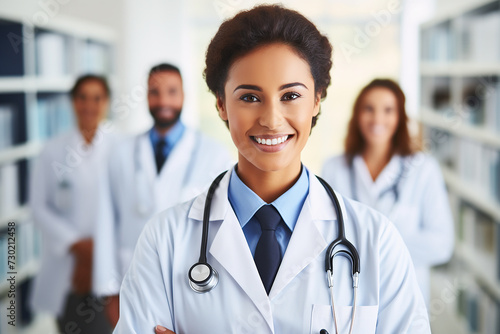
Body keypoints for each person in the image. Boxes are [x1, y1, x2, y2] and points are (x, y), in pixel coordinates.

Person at [115, 6, 431, 334]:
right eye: (250, 97)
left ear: (317, 100)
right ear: (221, 104)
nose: (271, 119)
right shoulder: (164, 240)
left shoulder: (377, 241)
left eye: (291, 95)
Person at [92, 63, 233, 327]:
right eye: (155, 92)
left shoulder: (214, 155)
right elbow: (105, 222)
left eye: (171, 91)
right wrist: (108, 289)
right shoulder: (121, 154)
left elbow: (224, 230)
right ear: (146, 97)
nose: (163, 100)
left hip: (190, 284)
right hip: (130, 280)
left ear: (183, 96)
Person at [321, 79, 454, 306]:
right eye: (369, 109)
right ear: (357, 115)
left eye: (388, 110)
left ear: (400, 117)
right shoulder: (334, 168)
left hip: (404, 298)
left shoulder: (423, 169)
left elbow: (442, 244)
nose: (377, 119)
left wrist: (372, 248)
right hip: (348, 297)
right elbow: (322, 234)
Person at [30, 75, 114, 333]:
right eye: (82, 97)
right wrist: (77, 245)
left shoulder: (121, 147)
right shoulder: (52, 151)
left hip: (110, 262)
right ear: (72, 102)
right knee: (71, 324)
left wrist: (96, 249)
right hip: (68, 264)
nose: (89, 105)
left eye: (97, 98)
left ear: (107, 103)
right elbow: (38, 207)